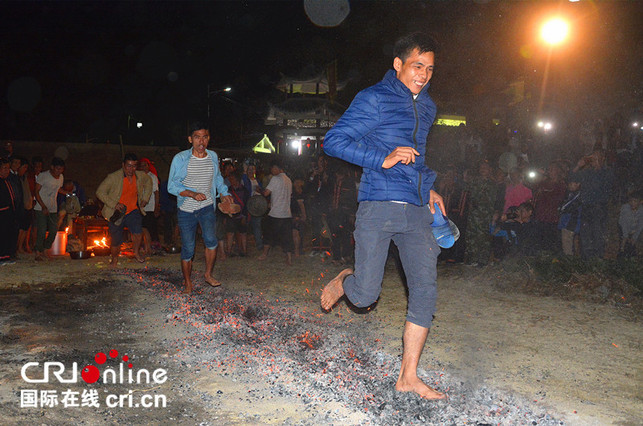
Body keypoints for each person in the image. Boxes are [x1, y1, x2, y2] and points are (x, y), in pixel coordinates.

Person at [320, 32, 446, 400]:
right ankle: (347, 279)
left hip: (416, 207)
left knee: (425, 289)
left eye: (430, 69)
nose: (423, 74)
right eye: (417, 66)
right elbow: (334, 141)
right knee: (364, 298)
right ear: (398, 65)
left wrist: (429, 187)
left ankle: (408, 376)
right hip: (378, 204)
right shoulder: (373, 98)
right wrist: (383, 157)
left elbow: (418, 155)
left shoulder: (428, 107)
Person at [168, 121, 232, 294]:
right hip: (186, 211)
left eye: (205, 137)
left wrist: (224, 193)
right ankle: (188, 282)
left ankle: (208, 274)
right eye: (197, 137)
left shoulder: (212, 156)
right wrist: (191, 193)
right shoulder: (180, 159)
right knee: (188, 248)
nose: (201, 142)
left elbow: (217, 178)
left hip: (206, 207)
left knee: (211, 241)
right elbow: (171, 186)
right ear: (190, 139)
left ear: (208, 138)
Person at [96, 153, 152, 267]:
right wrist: (114, 204)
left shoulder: (140, 176)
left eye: (134, 166)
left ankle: (136, 252)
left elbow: (149, 182)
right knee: (116, 240)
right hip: (116, 213)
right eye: (129, 166)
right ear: (123, 165)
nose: (131, 169)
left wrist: (145, 198)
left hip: (133, 210)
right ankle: (114, 259)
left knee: (138, 233)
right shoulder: (113, 177)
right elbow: (99, 192)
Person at [258, 160, 294, 265]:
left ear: (276, 168)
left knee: (268, 234)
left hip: (275, 213)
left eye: (272, 168)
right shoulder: (288, 180)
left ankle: (264, 254)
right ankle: (289, 259)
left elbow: (266, 193)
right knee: (287, 237)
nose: (271, 171)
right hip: (287, 213)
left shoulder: (275, 179)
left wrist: (259, 190)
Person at [33, 157, 68, 261]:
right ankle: (38, 251)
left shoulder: (61, 177)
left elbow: (58, 189)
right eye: (57, 169)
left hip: (53, 207)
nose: (59, 171)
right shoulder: (43, 176)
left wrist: (67, 193)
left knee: (53, 230)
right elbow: (36, 191)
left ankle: (46, 249)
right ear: (52, 167)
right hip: (40, 207)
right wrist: (43, 206)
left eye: (61, 169)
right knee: (42, 230)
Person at [138, 158, 161, 256]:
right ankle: (147, 247)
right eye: (141, 165)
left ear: (148, 166)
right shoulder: (139, 177)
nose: (143, 167)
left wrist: (156, 207)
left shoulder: (152, 177)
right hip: (141, 207)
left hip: (150, 206)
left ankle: (152, 248)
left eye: (145, 165)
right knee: (143, 227)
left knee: (150, 228)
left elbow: (156, 193)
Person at [0, 158, 19, 265]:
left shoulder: (6, 181)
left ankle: (6, 256)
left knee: (8, 234)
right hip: (1, 212)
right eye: (4, 168)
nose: (7, 171)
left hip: (8, 212)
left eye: (8, 168)